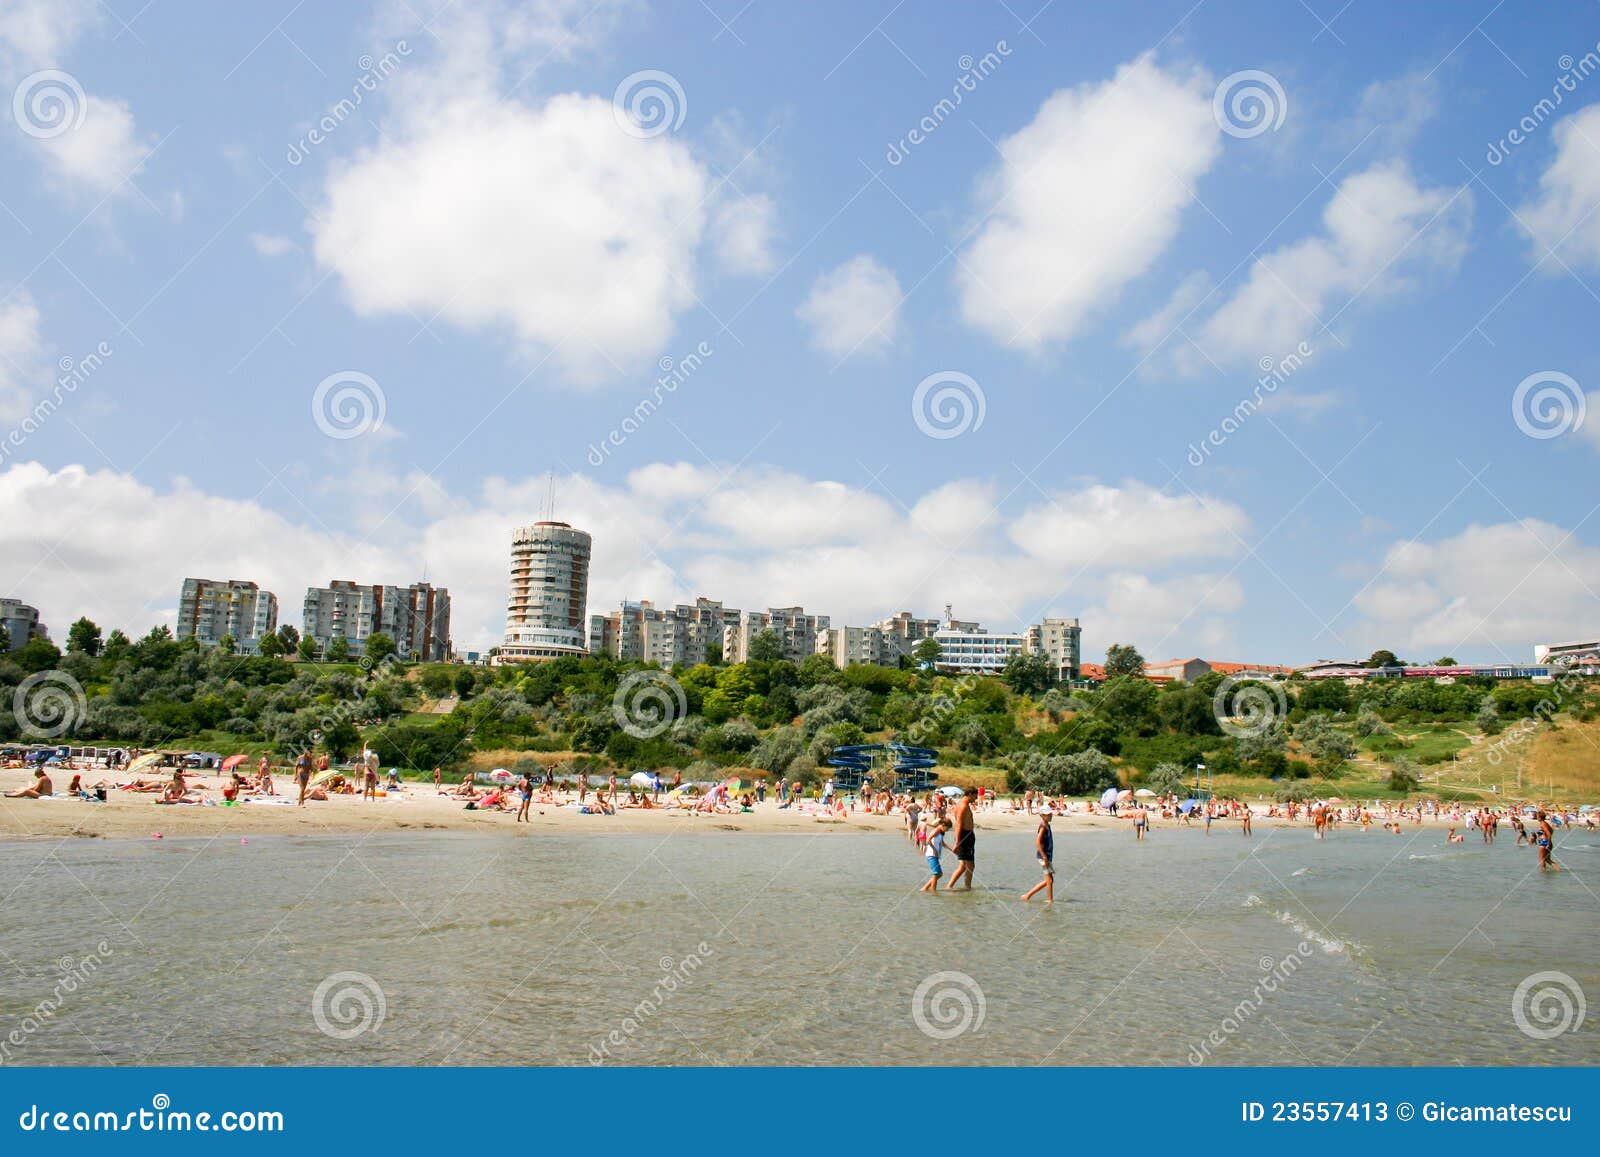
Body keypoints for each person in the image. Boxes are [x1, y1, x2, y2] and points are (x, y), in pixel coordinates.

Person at [1021, 811, 1055, 904]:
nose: (1050, 816)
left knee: (1049, 880)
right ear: (1042, 816)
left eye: (1050, 814)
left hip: (1047, 856)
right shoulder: (1043, 827)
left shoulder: (1047, 825)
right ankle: (1050, 900)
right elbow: (1038, 842)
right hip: (1044, 857)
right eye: (1047, 815)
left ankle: (1027, 895)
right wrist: (1044, 857)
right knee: (1050, 881)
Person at [946, 790, 976, 891]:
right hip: (965, 836)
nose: (976, 799)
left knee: (966, 866)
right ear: (970, 794)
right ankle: (955, 886)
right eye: (975, 796)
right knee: (968, 865)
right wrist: (957, 842)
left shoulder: (962, 804)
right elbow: (958, 824)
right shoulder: (963, 806)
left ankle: (965, 887)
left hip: (966, 835)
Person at [921, 819, 949, 894]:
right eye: (947, 828)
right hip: (931, 854)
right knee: (936, 874)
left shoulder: (941, 832)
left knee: (939, 874)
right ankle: (934, 891)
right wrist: (935, 850)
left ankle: (925, 888)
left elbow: (942, 843)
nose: (948, 830)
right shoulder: (936, 830)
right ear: (943, 825)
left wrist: (952, 849)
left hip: (935, 855)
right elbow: (928, 840)